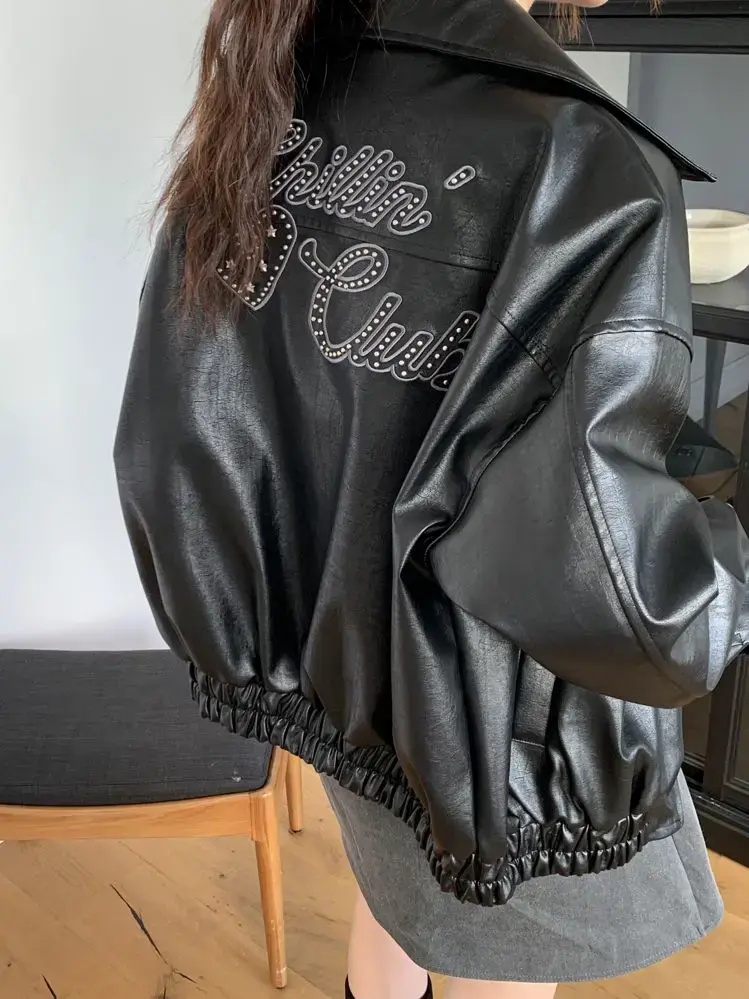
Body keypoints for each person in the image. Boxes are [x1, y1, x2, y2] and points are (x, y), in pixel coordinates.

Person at [114, 0, 749, 996]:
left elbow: (177, 424)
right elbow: (612, 583)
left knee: (397, 893)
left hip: (333, 669)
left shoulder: (283, 85)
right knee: (491, 956)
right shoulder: (584, 164)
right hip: (499, 737)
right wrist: (723, 570)